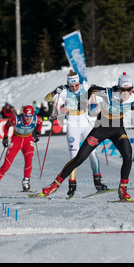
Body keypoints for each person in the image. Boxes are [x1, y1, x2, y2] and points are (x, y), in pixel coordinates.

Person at [40, 72, 134, 200]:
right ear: (118, 88)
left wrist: (133, 102)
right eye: (123, 89)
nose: (126, 93)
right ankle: (54, 185)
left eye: (129, 89)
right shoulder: (108, 93)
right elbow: (93, 89)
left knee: (128, 154)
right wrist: (83, 101)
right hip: (101, 128)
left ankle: (122, 189)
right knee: (80, 158)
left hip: (118, 129)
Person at [44, 70, 106, 198]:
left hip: (86, 124)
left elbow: (104, 92)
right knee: (74, 157)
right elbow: (46, 98)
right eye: (71, 86)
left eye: (76, 85)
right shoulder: (64, 91)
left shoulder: (85, 87)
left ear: (79, 82)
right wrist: (55, 92)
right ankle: (72, 184)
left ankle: (98, 181)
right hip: (72, 126)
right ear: (68, 84)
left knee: (93, 153)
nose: (74, 88)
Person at [0, 105, 43, 192]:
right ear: (23, 114)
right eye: (26, 116)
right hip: (16, 140)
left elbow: (40, 122)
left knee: (29, 160)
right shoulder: (16, 119)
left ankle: (26, 182)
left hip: (28, 140)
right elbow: (7, 125)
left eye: (30, 116)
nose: (28, 119)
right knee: (6, 165)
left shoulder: (36, 119)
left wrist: (38, 133)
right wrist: (5, 138)